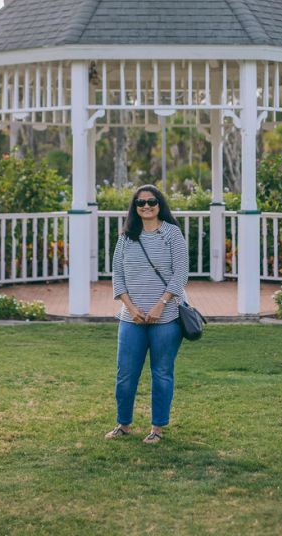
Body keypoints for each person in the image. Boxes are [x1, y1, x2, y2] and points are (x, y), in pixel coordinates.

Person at [105, 184, 188, 444]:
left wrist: (160, 304)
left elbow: (180, 274)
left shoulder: (172, 234)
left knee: (162, 373)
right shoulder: (126, 236)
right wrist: (131, 308)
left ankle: (157, 428)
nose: (147, 207)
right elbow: (117, 275)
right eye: (141, 203)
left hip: (166, 318)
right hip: (132, 319)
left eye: (152, 201)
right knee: (126, 373)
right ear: (135, 208)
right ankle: (123, 424)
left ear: (159, 203)